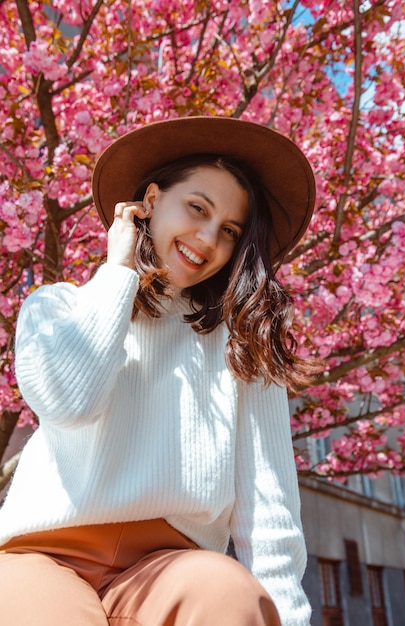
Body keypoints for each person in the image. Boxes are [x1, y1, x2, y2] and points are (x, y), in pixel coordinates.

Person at [0, 116, 317, 626]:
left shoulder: (241, 348)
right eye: (197, 208)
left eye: (230, 231)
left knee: (230, 599)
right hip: (44, 556)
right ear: (149, 202)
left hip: (174, 567)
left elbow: (269, 507)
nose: (208, 238)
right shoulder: (55, 308)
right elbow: (69, 404)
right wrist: (119, 271)